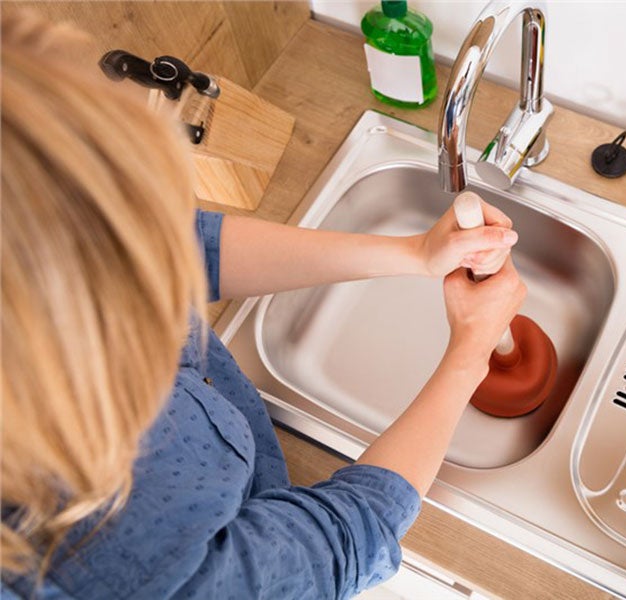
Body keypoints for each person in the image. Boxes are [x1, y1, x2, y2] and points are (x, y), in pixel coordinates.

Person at [1, 12, 526, 599]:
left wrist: (415, 253)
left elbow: (183, 246)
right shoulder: (98, 557)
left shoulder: (44, 238)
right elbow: (338, 545)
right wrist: (471, 352)